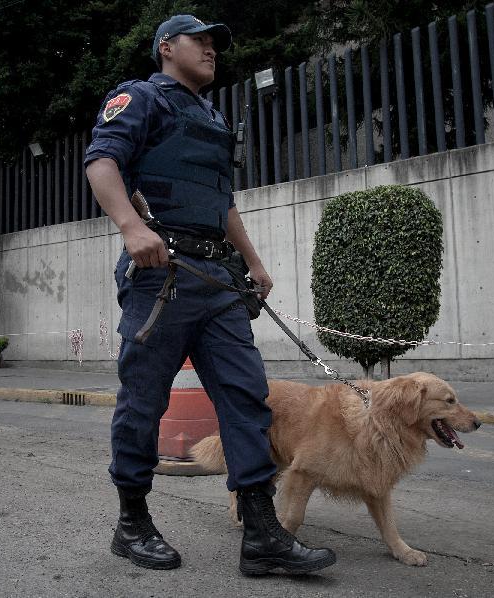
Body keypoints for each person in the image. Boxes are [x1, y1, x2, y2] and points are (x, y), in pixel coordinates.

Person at [84, 14, 336, 575]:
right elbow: (101, 162)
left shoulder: (213, 116)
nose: (212, 49)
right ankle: (132, 522)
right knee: (144, 400)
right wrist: (131, 227)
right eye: (200, 40)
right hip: (162, 275)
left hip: (218, 278)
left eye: (216, 43)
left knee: (248, 400)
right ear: (166, 47)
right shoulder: (140, 97)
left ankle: (263, 536)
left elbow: (222, 203)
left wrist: (254, 262)